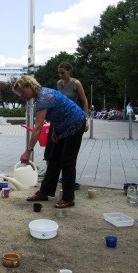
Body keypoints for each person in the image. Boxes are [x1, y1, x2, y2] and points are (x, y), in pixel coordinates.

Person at [13, 76, 86, 208]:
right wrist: (54, 130)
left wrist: (28, 151)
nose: (21, 96)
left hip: (76, 123)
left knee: (67, 161)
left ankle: (68, 198)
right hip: (61, 126)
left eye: (22, 92)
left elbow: (38, 127)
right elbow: (56, 111)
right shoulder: (41, 95)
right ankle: (45, 192)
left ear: (29, 87)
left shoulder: (43, 97)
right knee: (53, 159)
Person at [41, 62, 89, 187]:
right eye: (59, 73)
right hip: (59, 120)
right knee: (52, 148)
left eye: (63, 72)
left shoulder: (76, 83)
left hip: (72, 118)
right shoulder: (59, 84)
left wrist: (86, 119)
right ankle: (51, 176)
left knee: (68, 152)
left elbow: (84, 102)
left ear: (69, 71)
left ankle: (67, 179)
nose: (60, 75)